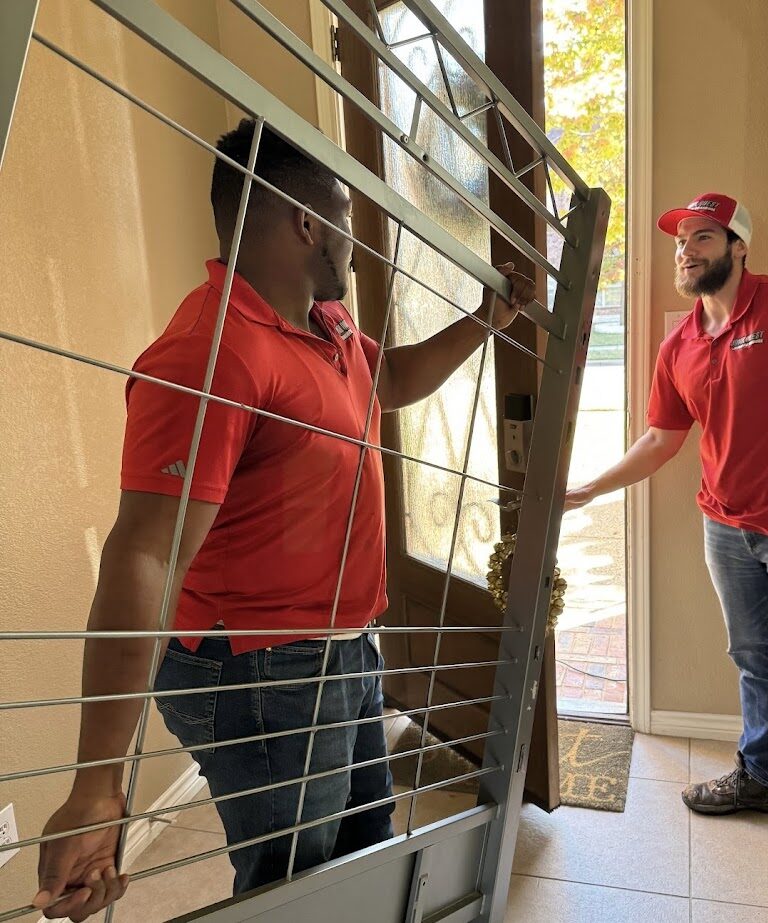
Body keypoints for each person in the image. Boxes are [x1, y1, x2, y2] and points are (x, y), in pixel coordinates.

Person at [32, 118, 535, 922]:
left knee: (363, 854)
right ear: (307, 220)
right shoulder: (212, 351)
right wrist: (99, 781)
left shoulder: (323, 323)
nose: (353, 242)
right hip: (262, 677)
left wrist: (485, 321)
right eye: (343, 215)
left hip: (339, 652)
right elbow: (143, 558)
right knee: (295, 897)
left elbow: (392, 378)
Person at [566, 192, 768, 911]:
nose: (687, 250)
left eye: (704, 236)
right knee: (754, 657)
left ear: (738, 245)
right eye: (681, 240)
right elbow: (662, 438)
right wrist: (592, 486)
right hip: (725, 527)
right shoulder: (681, 343)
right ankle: (764, 776)